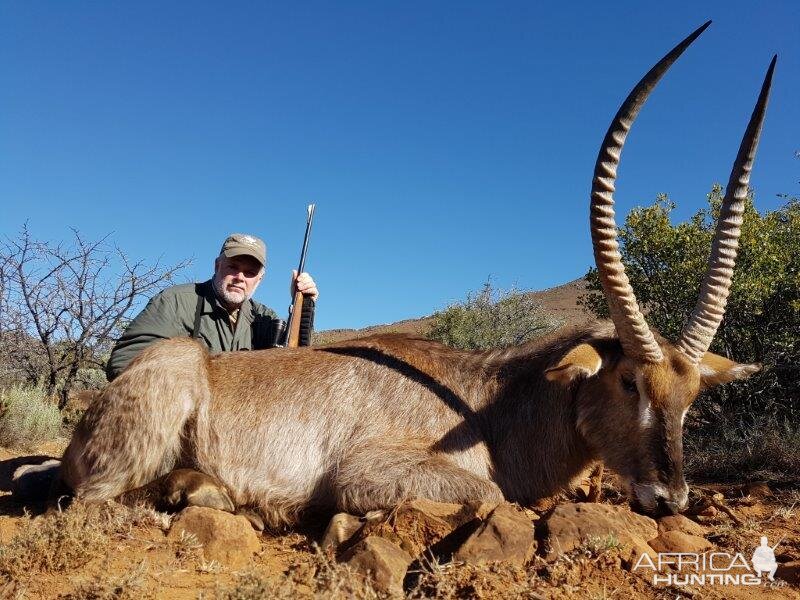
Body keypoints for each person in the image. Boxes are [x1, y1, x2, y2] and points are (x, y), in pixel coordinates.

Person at [106, 233, 318, 381]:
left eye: (250, 273)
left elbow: (296, 364)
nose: (239, 278)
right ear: (217, 266)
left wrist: (306, 304)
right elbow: (124, 362)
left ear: (259, 280)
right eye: (232, 267)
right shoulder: (176, 301)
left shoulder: (264, 317)